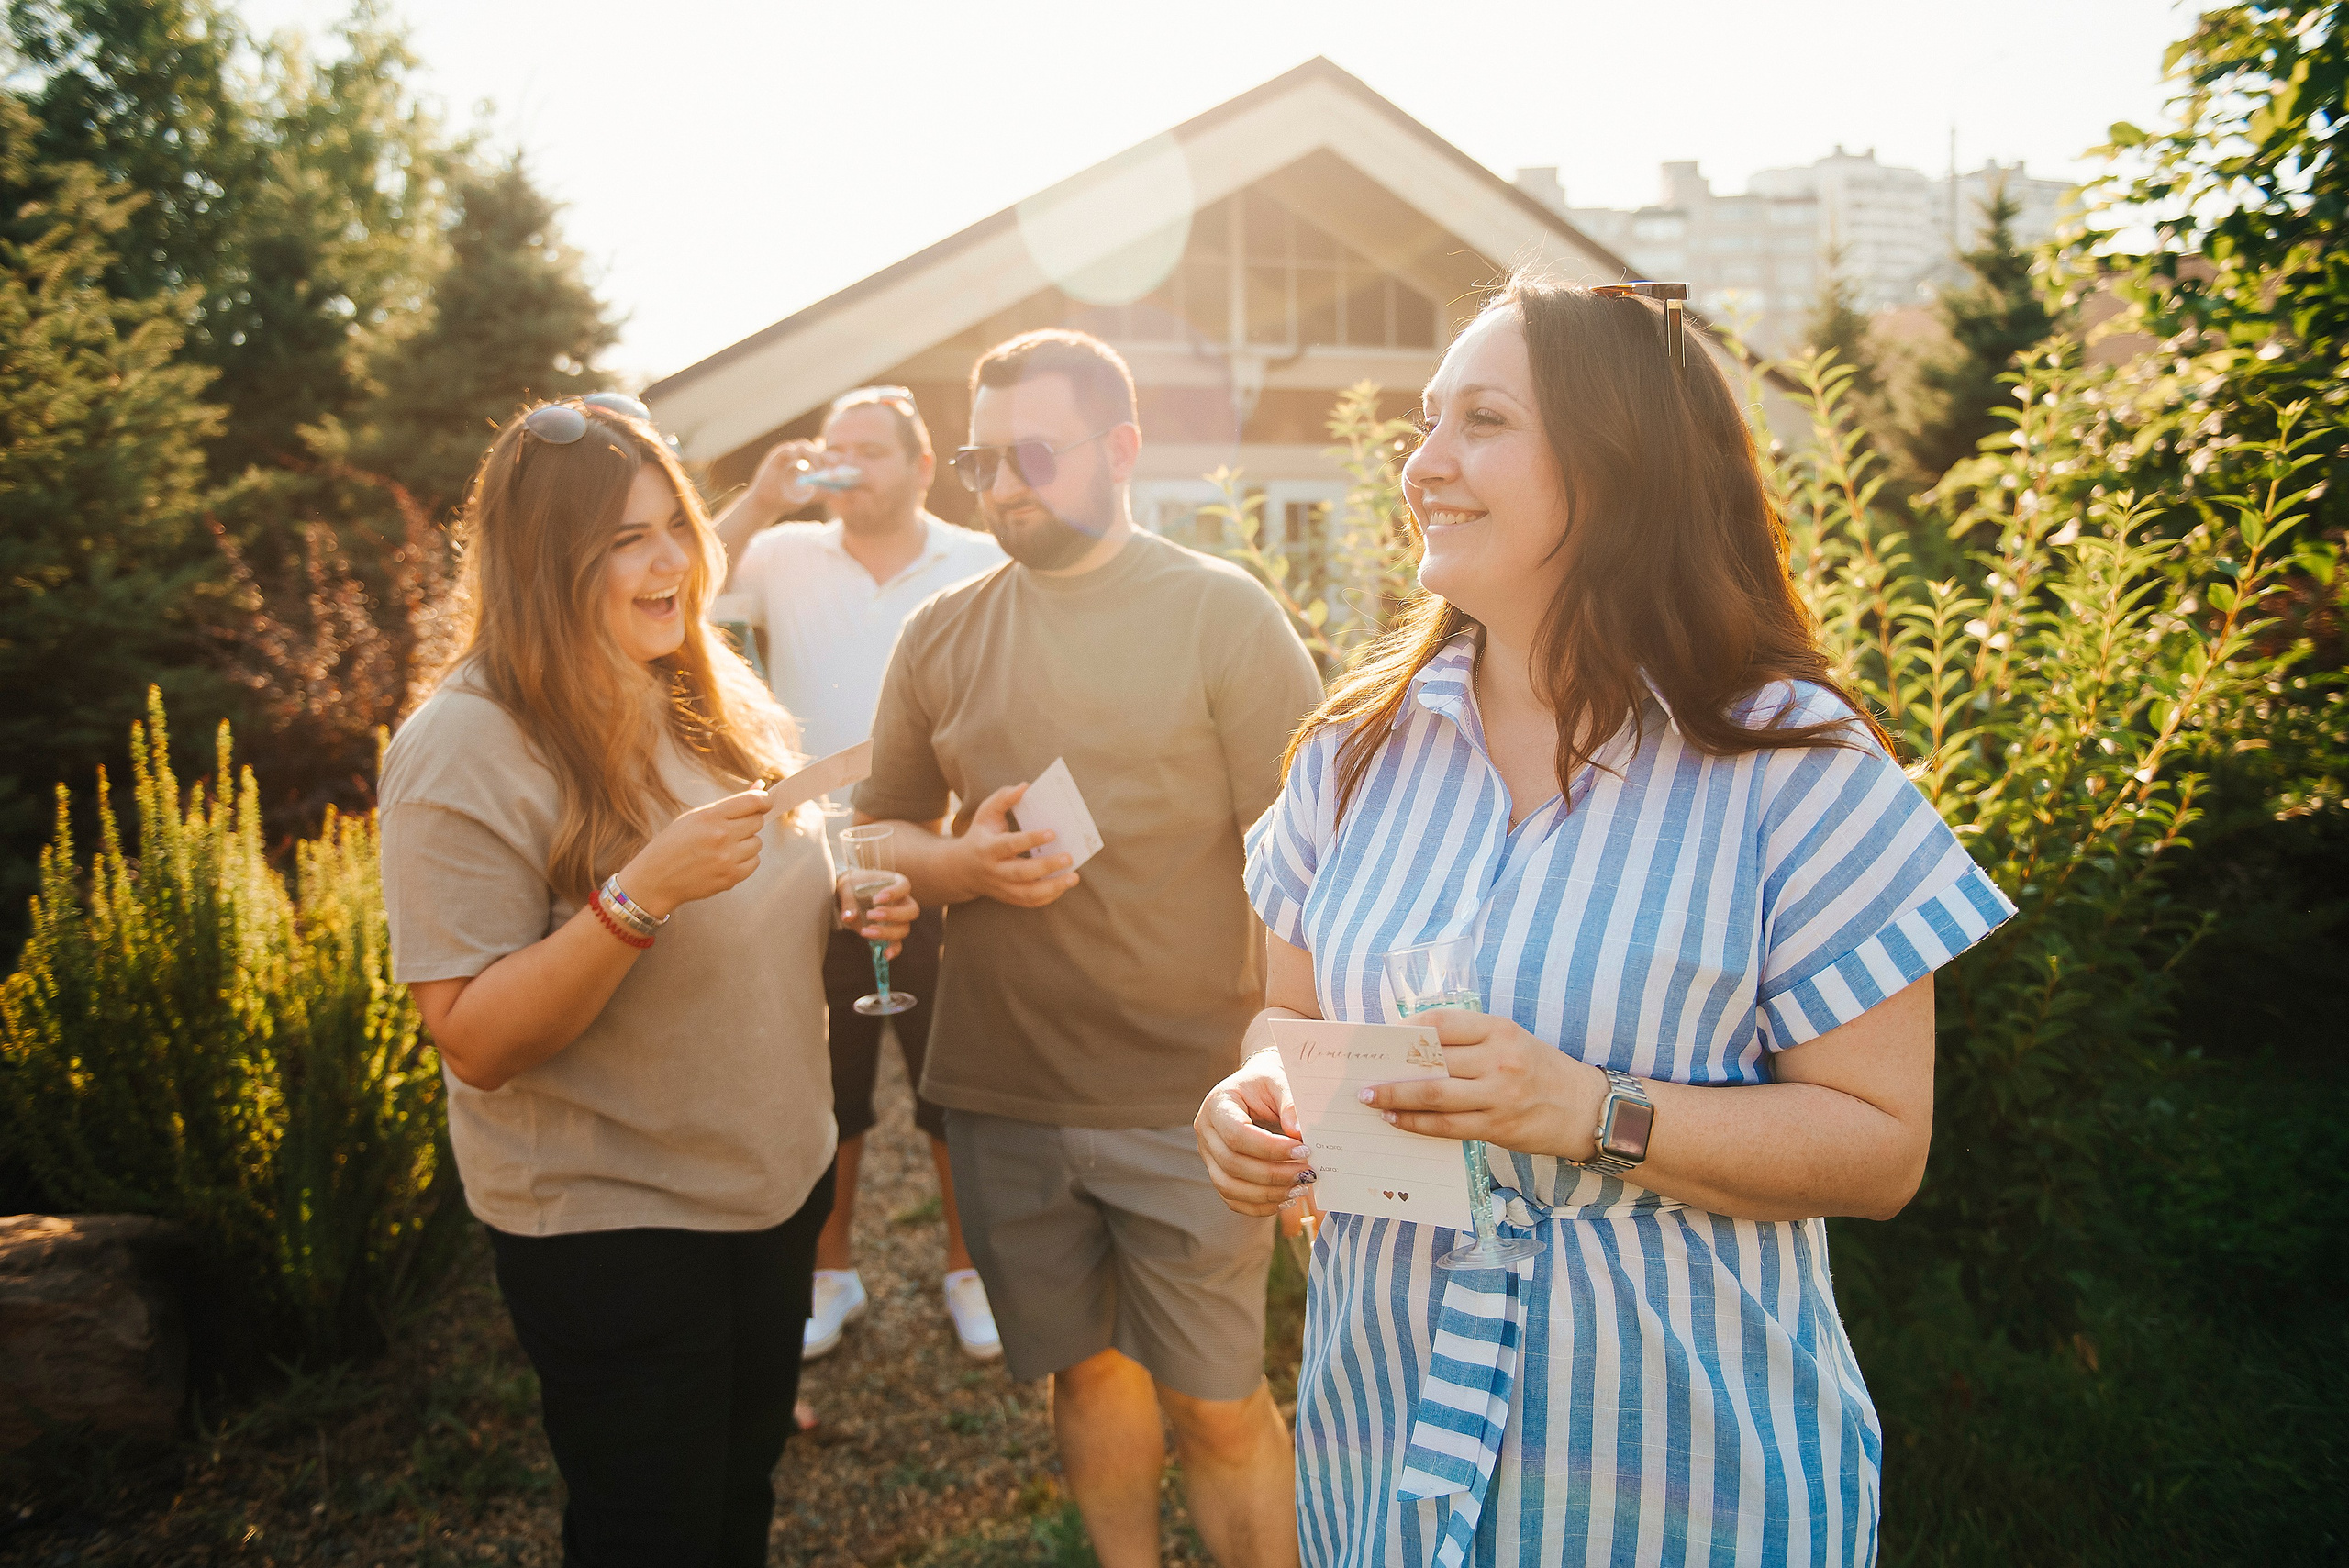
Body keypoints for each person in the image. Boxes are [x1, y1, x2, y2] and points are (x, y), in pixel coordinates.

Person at [1194, 274, 2018, 1567]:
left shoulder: (1798, 766)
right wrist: (1253, 1097)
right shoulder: (1351, 754)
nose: (1424, 464)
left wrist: (1584, 1110)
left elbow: (1879, 1146)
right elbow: (1285, 1017)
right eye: (1425, 422)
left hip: (1680, 1469)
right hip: (1387, 1432)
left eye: (1481, 421)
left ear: (1620, 463)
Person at [378, 397, 918, 1565]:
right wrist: (636, 898)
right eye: (623, 538)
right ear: (538, 561)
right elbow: (470, 1035)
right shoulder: (462, 744)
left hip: (771, 1180)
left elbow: (773, 868)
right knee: (651, 1530)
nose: (670, 557)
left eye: (671, 519)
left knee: (737, 1496)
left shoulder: (699, 683)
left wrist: (846, 899)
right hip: (613, 1218)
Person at [852, 329, 1325, 1568]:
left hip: (1192, 1101)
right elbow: (876, 831)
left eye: (1034, 454)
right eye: (981, 459)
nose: (1002, 484)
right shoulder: (941, 634)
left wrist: (1300, 1081)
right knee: (1087, 1377)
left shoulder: (1221, 614)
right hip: (1008, 1094)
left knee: (1217, 1400)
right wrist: (957, 865)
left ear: (1121, 450)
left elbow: (1318, 864)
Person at [714, 386, 1008, 1363]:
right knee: (825, 1084)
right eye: (832, 450)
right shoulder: (784, 550)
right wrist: (761, 497)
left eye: (868, 451)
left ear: (924, 466)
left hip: (939, 850)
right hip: (812, 862)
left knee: (952, 1083)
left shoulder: (977, 557)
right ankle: (829, 1274)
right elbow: (680, 584)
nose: (843, 466)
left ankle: (969, 1270)